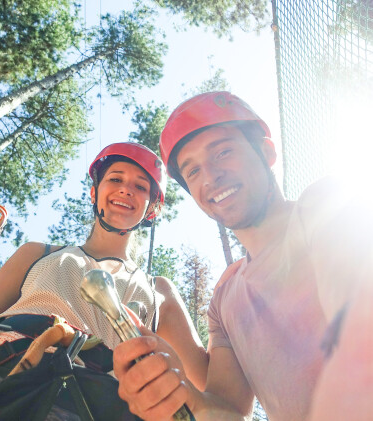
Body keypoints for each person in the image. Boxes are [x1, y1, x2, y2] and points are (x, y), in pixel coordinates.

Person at [113, 92, 373, 420]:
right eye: (192, 172)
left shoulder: (325, 205)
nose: (209, 176)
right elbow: (229, 410)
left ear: (266, 152)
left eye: (223, 151)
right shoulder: (224, 302)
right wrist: (180, 393)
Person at [0, 142, 207, 420]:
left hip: (93, 404)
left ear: (152, 208)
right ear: (94, 193)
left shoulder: (159, 291)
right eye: (116, 178)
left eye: (140, 186)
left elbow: (209, 386)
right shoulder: (35, 253)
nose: (125, 189)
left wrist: (229, 320)